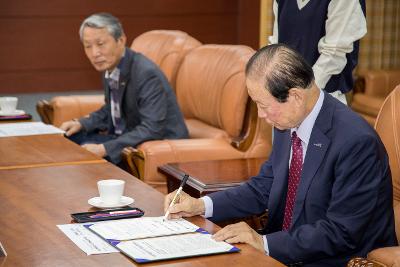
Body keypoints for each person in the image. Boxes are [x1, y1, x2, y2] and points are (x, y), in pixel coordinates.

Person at [164, 44, 397, 266]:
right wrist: (201, 205)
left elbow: (341, 232)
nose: (261, 115)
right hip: (284, 250)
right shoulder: (288, 121)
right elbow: (264, 186)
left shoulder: (355, 141)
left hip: (335, 260)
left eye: (263, 105)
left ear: (295, 96)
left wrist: (263, 242)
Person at [60, 13, 188, 164]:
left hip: (154, 145)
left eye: (100, 44)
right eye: (88, 46)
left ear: (121, 40)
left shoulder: (146, 73)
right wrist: (81, 123)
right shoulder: (110, 66)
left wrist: (104, 148)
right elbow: (112, 109)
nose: (95, 53)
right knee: (69, 139)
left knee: (80, 153)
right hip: (127, 139)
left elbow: (152, 128)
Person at [269, 0, 367, 104]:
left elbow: (334, 53)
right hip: (287, 98)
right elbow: (276, 46)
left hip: (323, 99)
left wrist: (301, 94)